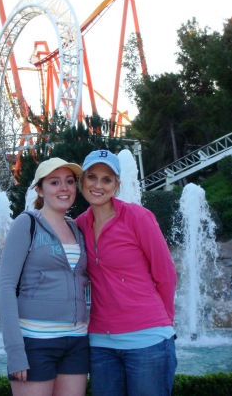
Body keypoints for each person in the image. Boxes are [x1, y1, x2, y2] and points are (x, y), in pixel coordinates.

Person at [75, 149, 177, 396]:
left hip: (148, 340)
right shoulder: (79, 225)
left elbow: (165, 274)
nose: (98, 185)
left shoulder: (138, 217)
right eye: (92, 177)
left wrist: (164, 323)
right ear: (82, 182)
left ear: (116, 186)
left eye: (107, 179)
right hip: (100, 343)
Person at [0, 157, 90, 396]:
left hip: (76, 341)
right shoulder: (26, 223)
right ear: (40, 189)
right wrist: (15, 351)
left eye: (69, 182)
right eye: (54, 182)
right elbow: (6, 287)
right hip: (36, 342)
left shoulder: (77, 229)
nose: (64, 188)